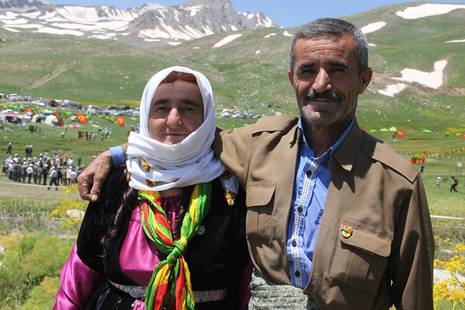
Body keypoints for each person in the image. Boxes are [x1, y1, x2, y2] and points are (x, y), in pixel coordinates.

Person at [77, 19, 434, 309]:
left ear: (364, 80)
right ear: (292, 78)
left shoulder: (397, 182)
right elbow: (179, 140)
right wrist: (116, 154)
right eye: (308, 70)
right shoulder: (258, 146)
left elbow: (414, 297)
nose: (321, 84)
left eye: (337, 70)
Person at [54, 66, 249, 309]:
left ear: (206, 117)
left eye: (189, 108)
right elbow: (81, 271)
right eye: (161, 108)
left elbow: (245, 285)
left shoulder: (229, 185)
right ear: (146, 113)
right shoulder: (120, 181)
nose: (173, 119)